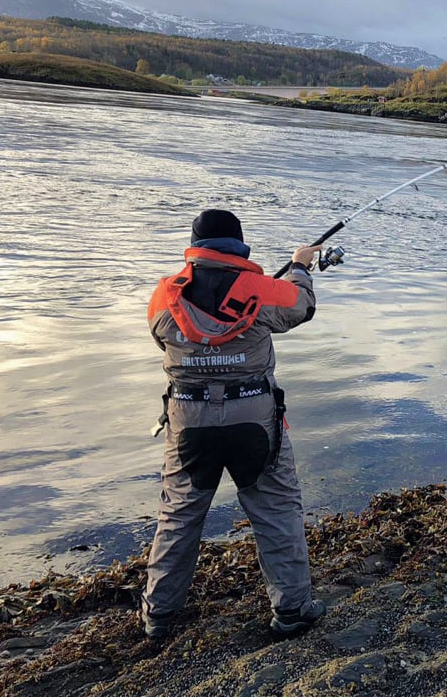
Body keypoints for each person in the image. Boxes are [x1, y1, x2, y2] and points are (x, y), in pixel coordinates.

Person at [141, 208, 325, 639]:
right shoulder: (261, 290)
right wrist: (299, 266)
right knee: (276, 510)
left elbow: (159, 336)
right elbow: (301, 306)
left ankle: (159, 617)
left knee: (179, 516)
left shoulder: (164, 295)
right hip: (254, 419)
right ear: (239, 244)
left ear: (195, 245)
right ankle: (293, 610)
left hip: (188, 421)